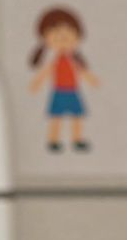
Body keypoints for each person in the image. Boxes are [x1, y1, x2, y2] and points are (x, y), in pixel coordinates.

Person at [28, 8, 99, 153]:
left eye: (68, 36)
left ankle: (77, 139)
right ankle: (53, 140)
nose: (63, 40)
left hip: (73, 91)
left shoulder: (74, 61)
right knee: (57, 117)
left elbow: (83, 72)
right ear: (47, 40)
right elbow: (46, 72)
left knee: (77, 117)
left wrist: (92, 80)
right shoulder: (55, 61)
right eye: (57, 37)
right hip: (59, 91)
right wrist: (36, 83)